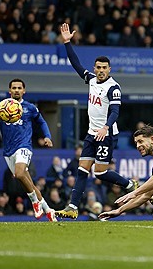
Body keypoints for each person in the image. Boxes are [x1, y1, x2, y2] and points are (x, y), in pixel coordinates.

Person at [55, 23, 138, 220]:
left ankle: (129, 185)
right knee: (82, 169)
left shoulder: (113, 87)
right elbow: (76, 65)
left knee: (99, 173)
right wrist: (67, 43)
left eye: (104, 68)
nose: (100, 71)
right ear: (95, 68)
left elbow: (116, 111)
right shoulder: (91, 80)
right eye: (98, 68)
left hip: (107, 135)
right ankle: (73, 207)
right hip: (92, 133)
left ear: (109, 69)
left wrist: (105, 127)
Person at [0, 78, 57, 221]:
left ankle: (35, 202)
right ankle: (48, 210)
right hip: (8, 150)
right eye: (14, 88)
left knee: (19, 173)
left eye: (19, 88)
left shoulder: (29, 108)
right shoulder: (1, 107)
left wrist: (47, 136)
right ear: (9, 90)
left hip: (24, 146)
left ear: (24, 91)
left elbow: (41, 121)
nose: (17, 90)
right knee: (27, 181)